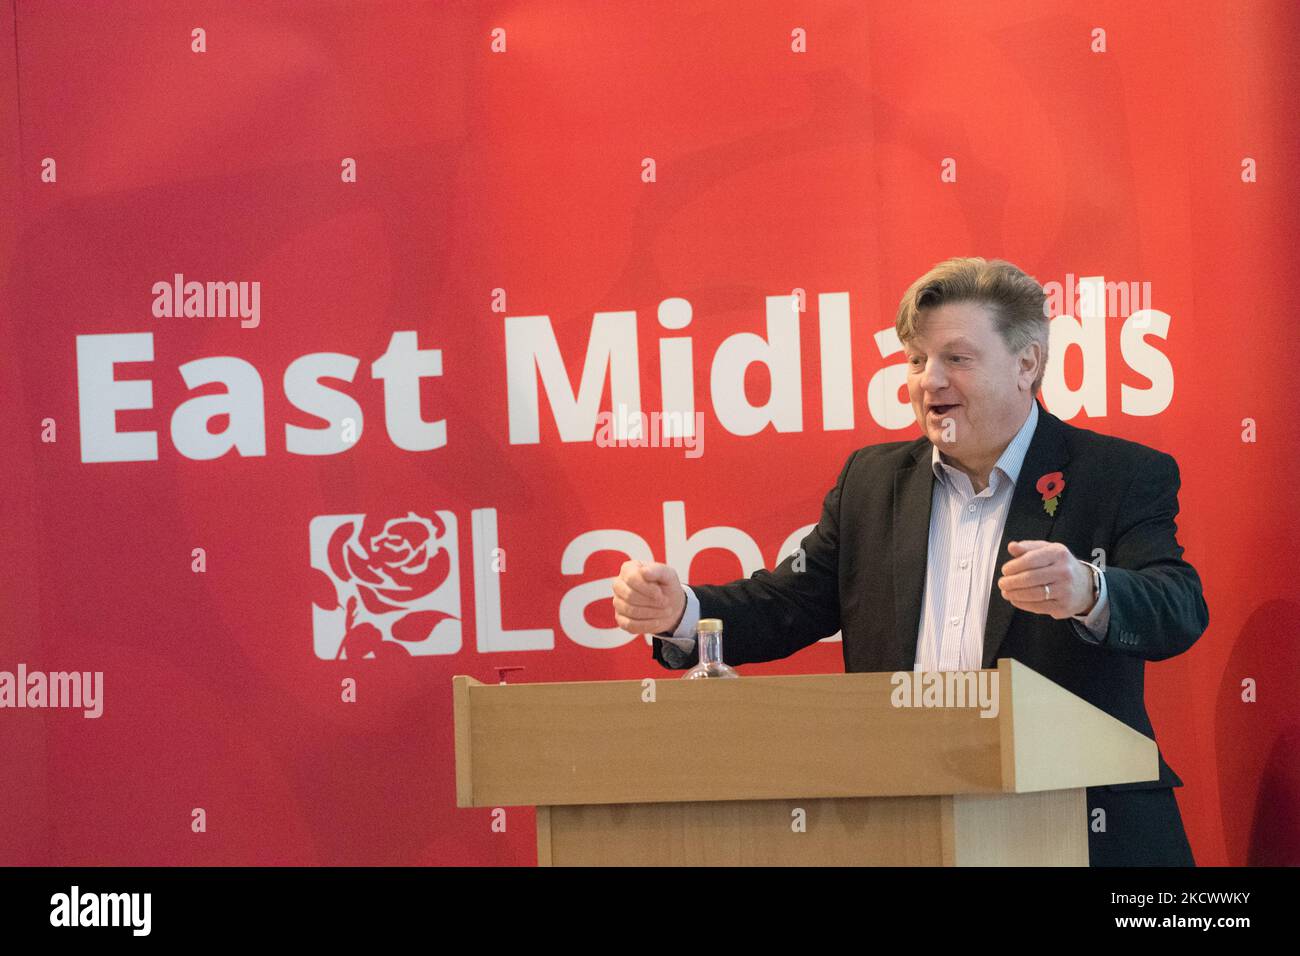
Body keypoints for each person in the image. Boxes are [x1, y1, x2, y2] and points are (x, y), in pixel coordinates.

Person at [610, 256, 1207, 866]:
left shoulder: (1118, 474)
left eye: (956, 359)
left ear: (1026, 363)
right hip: (905, 828)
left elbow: (1178, 606)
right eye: (917, 360)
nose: (930, 381)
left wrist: (1089, 588)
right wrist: (682, 611)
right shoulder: (872, 481)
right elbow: (790, 602)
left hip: (1080, 827)